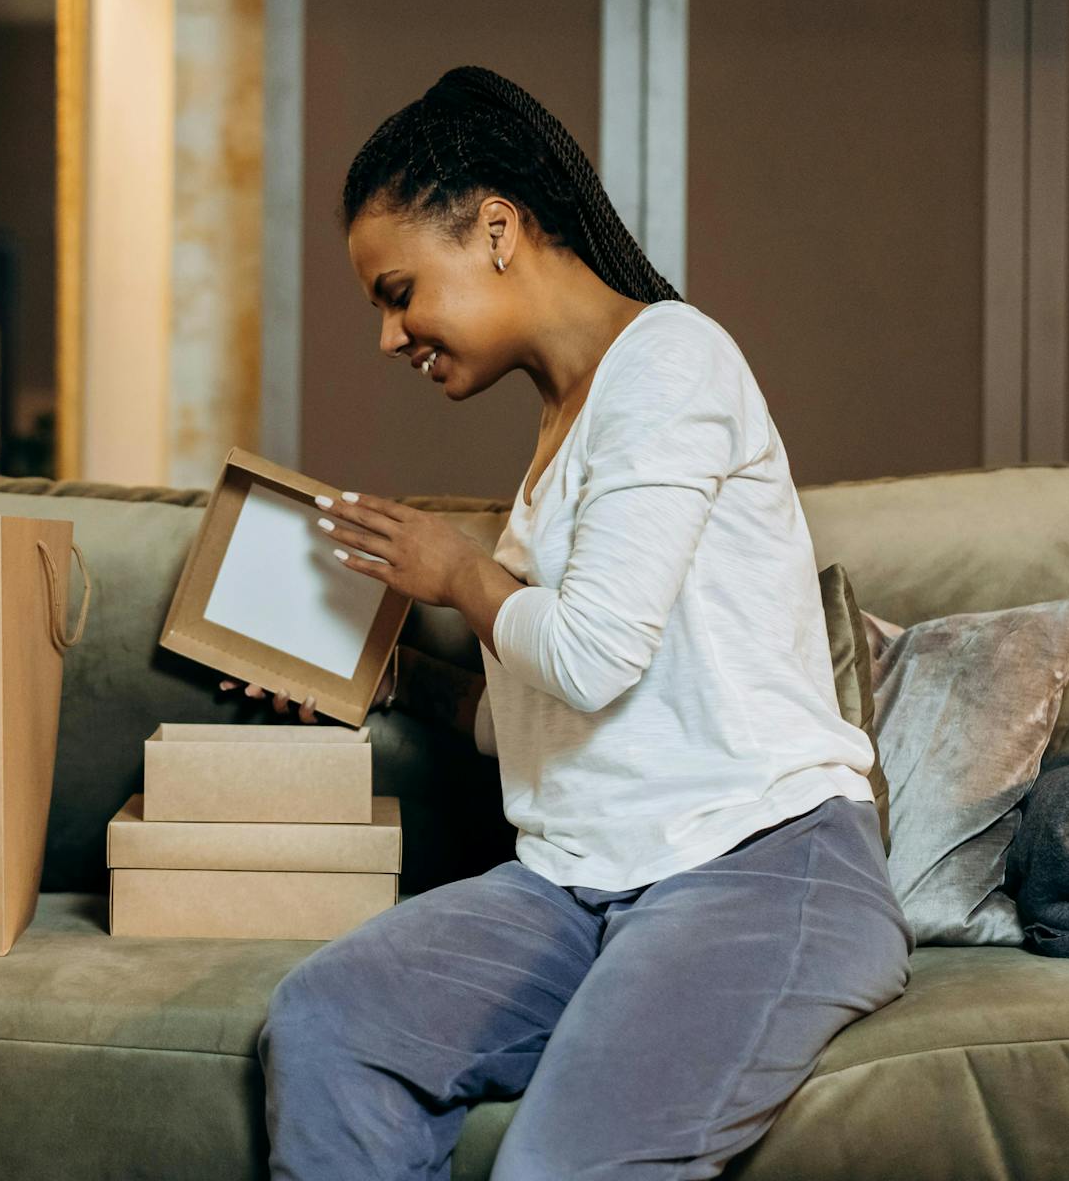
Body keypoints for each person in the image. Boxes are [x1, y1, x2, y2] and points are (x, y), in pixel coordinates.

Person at [224, 65, 912, 1181]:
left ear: (496, 228)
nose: (390, 336)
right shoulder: (560, 429)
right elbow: (545, 724)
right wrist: (388, 684)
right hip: (579, 884)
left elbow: (593, 657)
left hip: (764, 869)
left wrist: (455, 572)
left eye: (397, 291)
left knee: (557, 1165)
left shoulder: (673, 361)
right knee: (328, 1021)